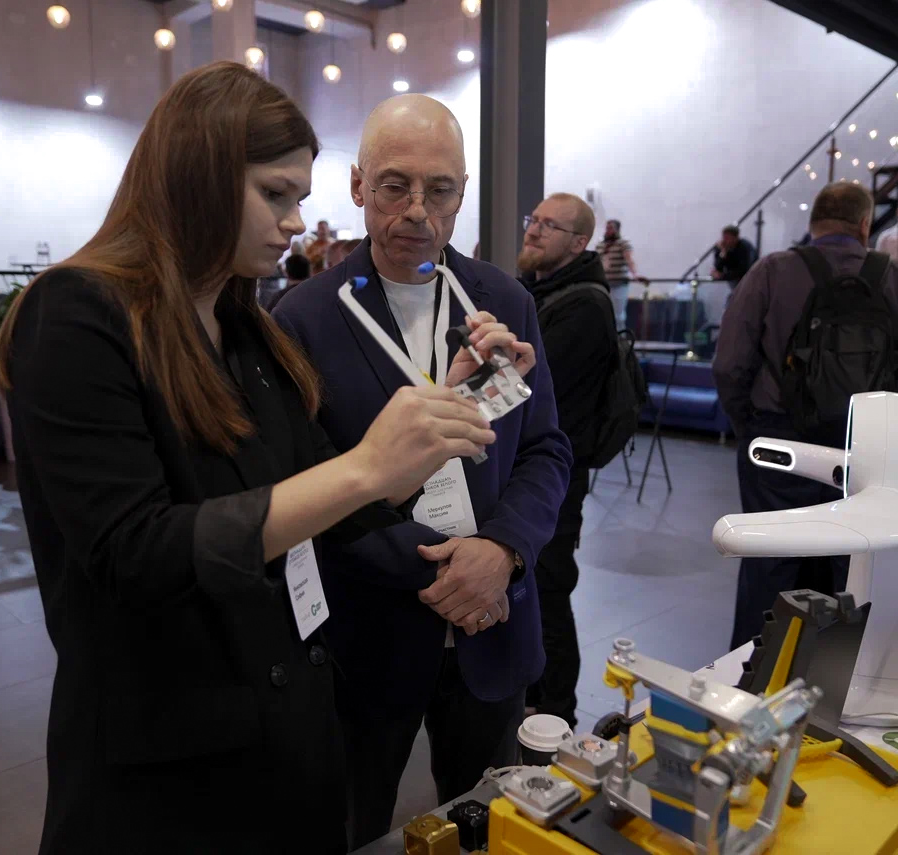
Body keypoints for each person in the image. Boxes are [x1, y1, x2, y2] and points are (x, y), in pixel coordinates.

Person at [0, 63, 503, 854]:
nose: (297, 220)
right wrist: (365, 467)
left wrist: (450, 409)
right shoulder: (77, 314)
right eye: (275, 194)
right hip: (167, 756)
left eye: (299, 196)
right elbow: (135, 550)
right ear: (197, 176)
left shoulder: (247, 329)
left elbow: (336, 497)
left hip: (285, 722)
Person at [273, 94, 571, 849]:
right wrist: (444, 570)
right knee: (352, 822)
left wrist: (501, 552)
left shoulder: (503, 303)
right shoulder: (304, 318)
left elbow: (544, 448)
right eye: (394, 185)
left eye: (439, 190)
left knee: (488, 823)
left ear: (463, 192)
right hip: (371, 629)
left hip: (494, 616)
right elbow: (308, 482)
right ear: (357, 185)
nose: (417, 211)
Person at [713, 182, 898, 650]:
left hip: (780, 442)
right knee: (855, 566)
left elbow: (729, 364)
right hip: (866, 446)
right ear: (865, 225)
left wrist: (750, 429)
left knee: (770, 561)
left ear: (813, 223)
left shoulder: (772, 271)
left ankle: (754, 676)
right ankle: (843, 678)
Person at [516, 192, 619, 728]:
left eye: (548, 225)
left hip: (556, 472)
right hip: (531, 466)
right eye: (533, 220)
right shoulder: (541, 292)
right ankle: (533, 697)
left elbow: (524, 387)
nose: (533, 230)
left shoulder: (584, 307)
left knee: (549, 588)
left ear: (579, 243)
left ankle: (557, 714)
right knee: (532, 584)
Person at [596, 219, 638, 330]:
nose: (608, 230)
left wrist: (635, 274)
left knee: (618, 315)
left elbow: (629, 260)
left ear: (617, 230)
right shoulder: (600, 245)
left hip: (619, 284)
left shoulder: (623, 244)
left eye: (611, 228)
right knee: (603, 314)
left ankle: (620, 336)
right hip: (604, 284)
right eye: (607, 228)